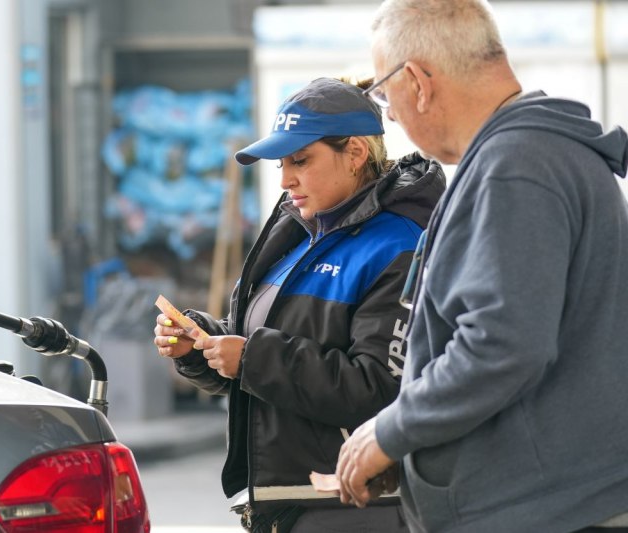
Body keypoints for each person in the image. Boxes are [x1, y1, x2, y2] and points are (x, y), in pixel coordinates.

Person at [335, 1, 628, 532]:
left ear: (419, 82)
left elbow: (502, 344)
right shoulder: (535, 155)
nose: (391, 114)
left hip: (539, 511)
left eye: (384, 93)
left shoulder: (513, 168)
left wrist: (392, 430)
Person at [153, 77, 445, 532]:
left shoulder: (400, 244)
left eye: (301, 160)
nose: (286, 178)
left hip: (353, 507)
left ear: (355, 154)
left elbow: (380, 392)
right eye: (282, 164)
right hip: (285, 505)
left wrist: (251, 358)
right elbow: (256, 365)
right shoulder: (295, 235)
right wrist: (203, 346)